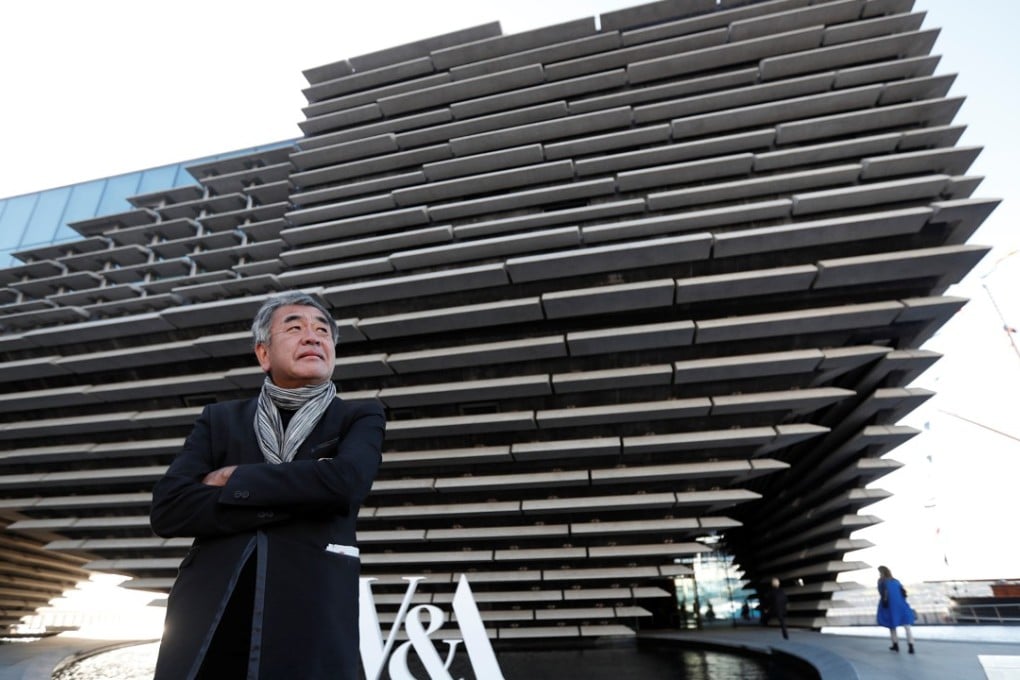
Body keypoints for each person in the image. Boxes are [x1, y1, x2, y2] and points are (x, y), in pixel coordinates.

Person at [149, 291, 386, 680]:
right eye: (295, 328)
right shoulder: (220, 420)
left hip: (312, 612)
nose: (312, 337)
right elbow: (169, 509)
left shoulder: (359, 416)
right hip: (211, 616)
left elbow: (345, 484)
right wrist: (306, 491)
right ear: (263, 353)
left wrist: (233, 478)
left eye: (322, 331)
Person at [876, 565, 916, 654]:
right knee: (907, 626)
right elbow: (903, 592)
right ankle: (911, 646)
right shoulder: (896, 581)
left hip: (890, 605)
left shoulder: (882, 582)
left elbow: (881, 593)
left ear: (881, 573)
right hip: (901, 605)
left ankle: (895, 645)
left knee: (892, 625)